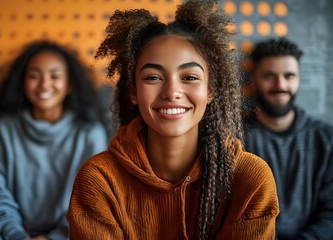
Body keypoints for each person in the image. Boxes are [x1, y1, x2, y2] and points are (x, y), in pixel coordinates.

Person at [67, 1, 280, 239]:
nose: (171, 91)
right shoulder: (99, 179)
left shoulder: (249, 178)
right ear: (133, 92)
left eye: (189, 77)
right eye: (153, 77)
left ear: (210, 90)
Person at [0, 40, 108, 240]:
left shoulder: (89, 133)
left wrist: (55, 237)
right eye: (34, 75)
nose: (44, 84)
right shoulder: (4, 130)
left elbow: (93, 201)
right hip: (11, 233)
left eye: (54, 76)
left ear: (69, 85)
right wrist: (17, 235)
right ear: (23, 82)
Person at [244, 37, 333, 239]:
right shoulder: (235, 139)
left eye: (289, 75)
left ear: (298, 78)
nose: (280, 85)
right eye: (269, 76)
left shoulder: (327, 139)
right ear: (253, 80)